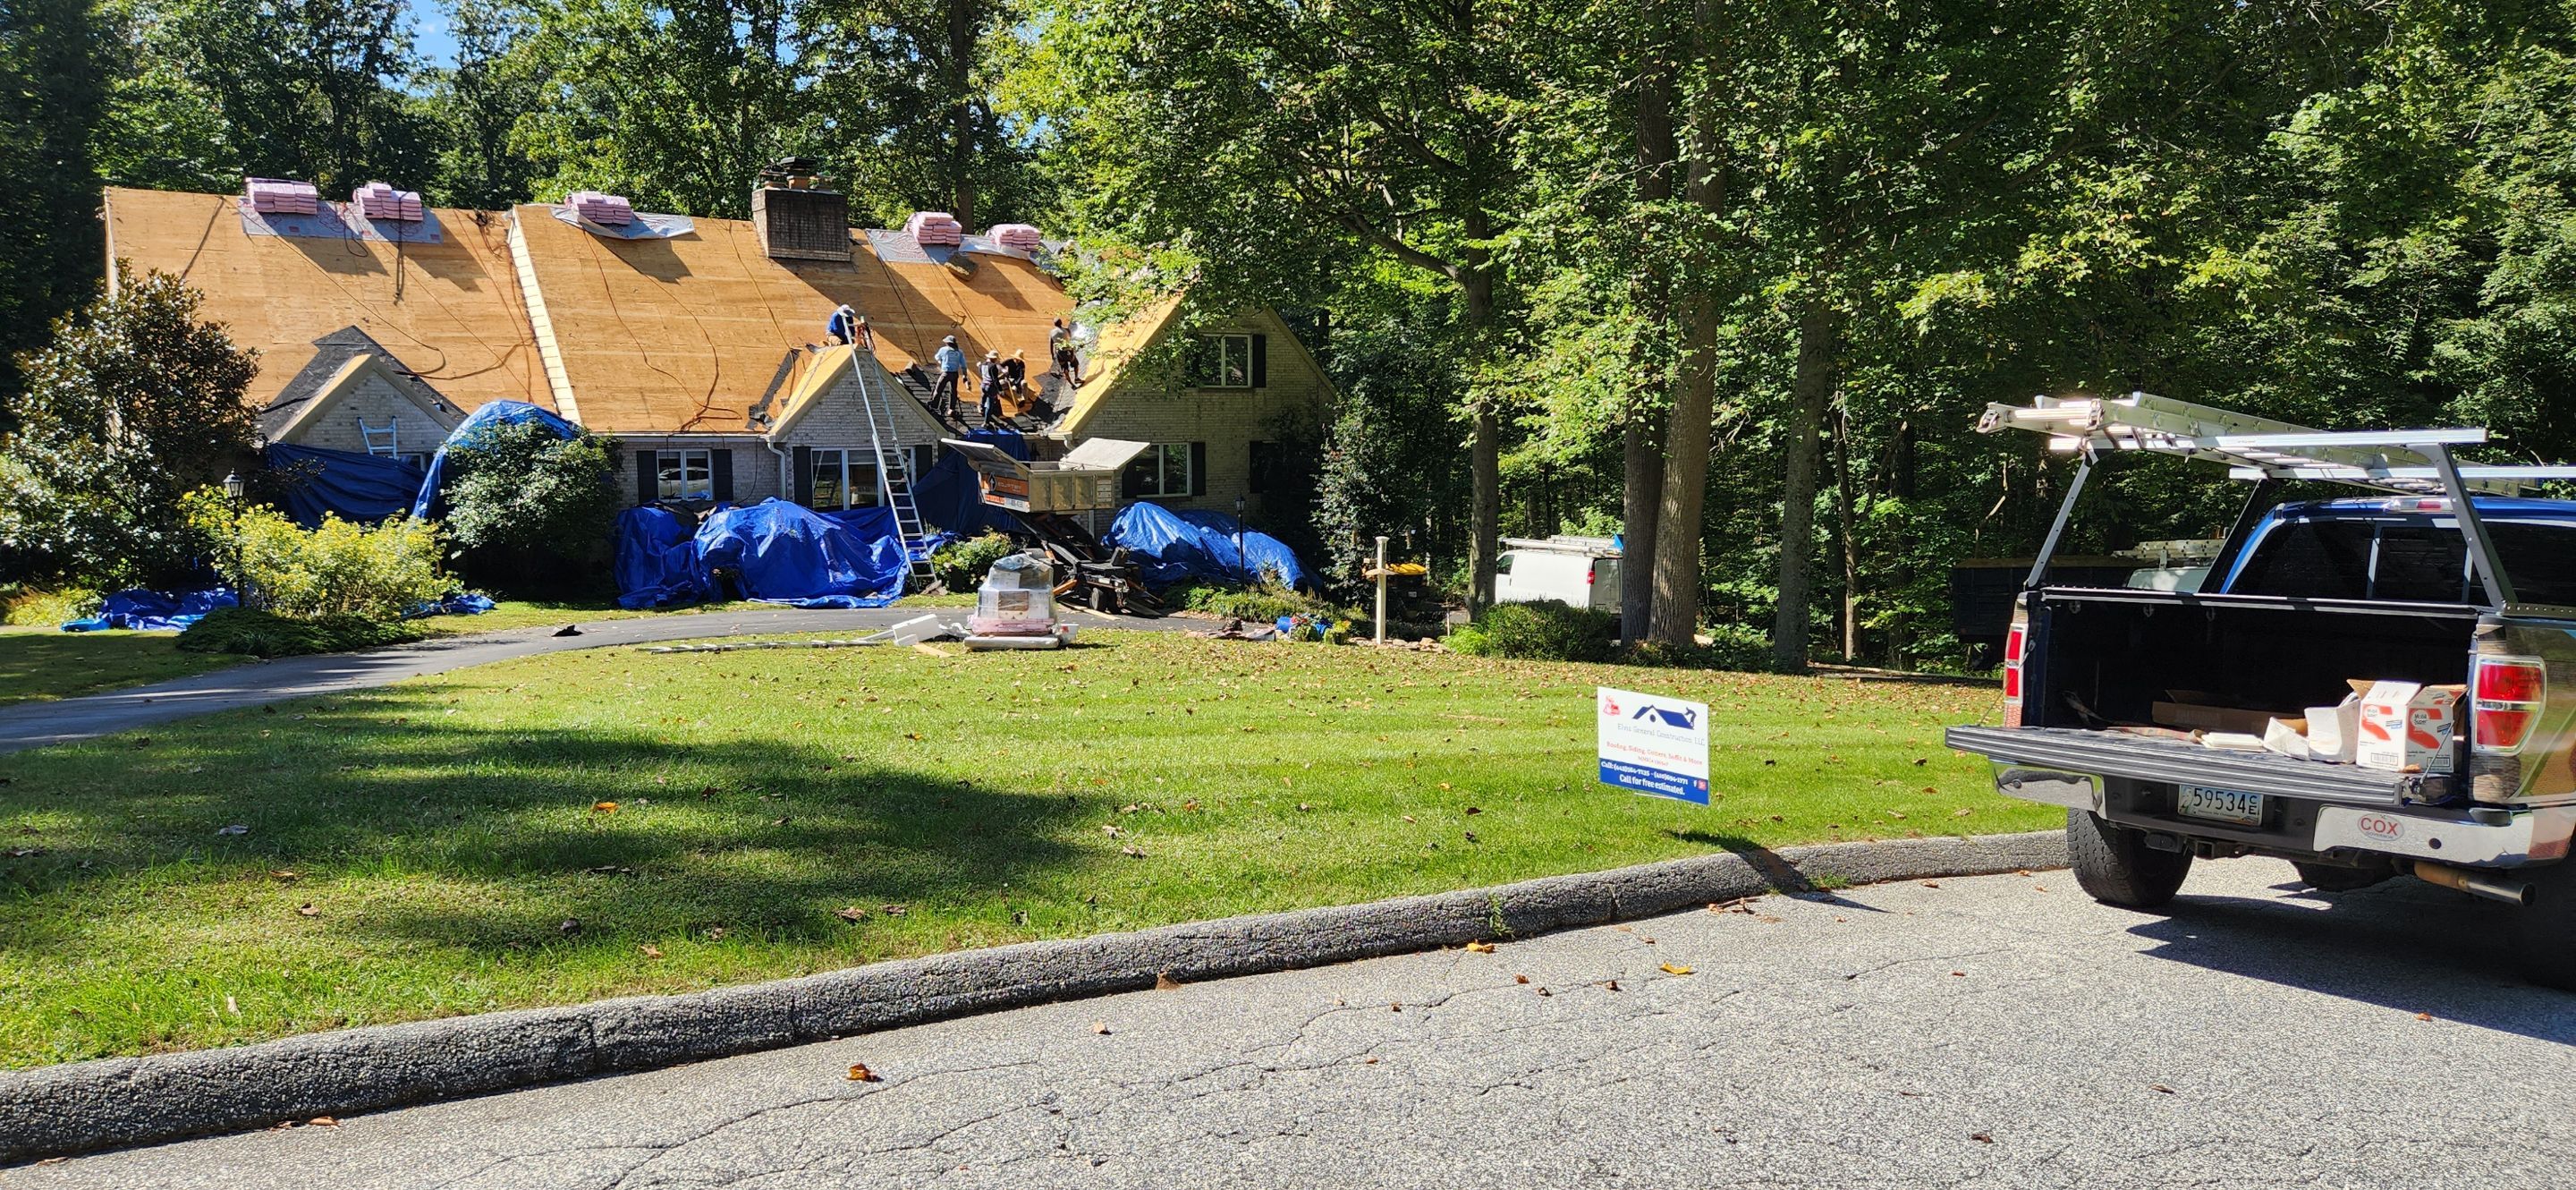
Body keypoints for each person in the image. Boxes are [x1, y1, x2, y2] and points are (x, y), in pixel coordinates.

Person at [934, 335, 968, 419]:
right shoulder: (959, 352)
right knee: (953, 392)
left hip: (946, 373)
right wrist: (965, 375)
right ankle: (951, 409)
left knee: (938, 389)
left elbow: (937, 357)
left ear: (947, 343)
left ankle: (934, 406)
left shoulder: (943, 350)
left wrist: (940, 361)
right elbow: (963, 365)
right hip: (955, 374)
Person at [1049, 318, 1082, 387]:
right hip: (1069, 350)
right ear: (1061, 323)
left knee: (1065, 369)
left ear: (1054, 324)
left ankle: (1072, 385)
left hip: (1060, 353)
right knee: (1075, 364)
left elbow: (1051, 345)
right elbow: (1070, 339)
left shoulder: (1052, 332)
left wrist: (1052, 355)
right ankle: (1076, 378)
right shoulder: (1067, 330)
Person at [978, 350, 1004, 428]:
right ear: (994, 358)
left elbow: (980, 372)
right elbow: (995, 379)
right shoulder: (993, 366)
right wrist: (1000, 389)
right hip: (990, 387)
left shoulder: (982, 365)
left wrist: (979, 366)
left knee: (984, 397)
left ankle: (981, 408)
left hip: (983, 385)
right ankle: (986, 422)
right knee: (990, 404)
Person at [1000, 348, 1030, 415]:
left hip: (1017, 381)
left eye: (1019, 359)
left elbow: (1021, 376)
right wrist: (1004, 371)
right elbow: (1000, 366)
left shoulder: (1022, 364)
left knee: (1024, 383)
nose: (1017, 360)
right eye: (1017, 359)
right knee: (1000, 384)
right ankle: (1017, 400)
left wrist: (1016, 384)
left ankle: (1024, 401)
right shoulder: (1009, 361)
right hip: (1009, 379)